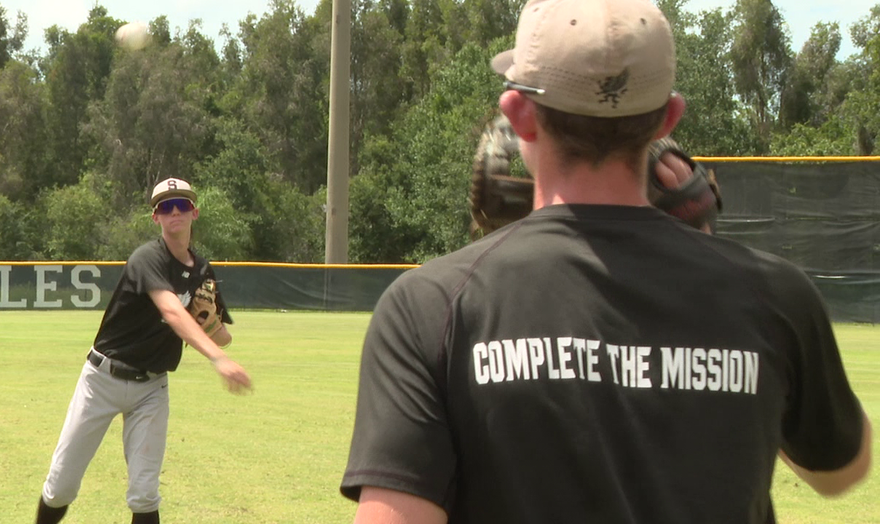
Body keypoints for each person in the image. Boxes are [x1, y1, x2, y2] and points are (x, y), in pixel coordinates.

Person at [339, 0, 872, 522]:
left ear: (519, 114)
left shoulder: (431, 307)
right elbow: (840, 472)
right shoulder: (776, 295)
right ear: (668, 118)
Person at [35, 178, 253, 524]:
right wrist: (218, 359)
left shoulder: (202, 271)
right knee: (61, 485)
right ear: (156, 218)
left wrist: (210, 324)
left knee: (144, 493)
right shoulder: (147, 258)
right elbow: (170, 310)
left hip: (151, 388)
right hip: (102, 380)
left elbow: (223, 335)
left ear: (195, 212)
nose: (175, 212)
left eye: (181, 205)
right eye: (166, 207)